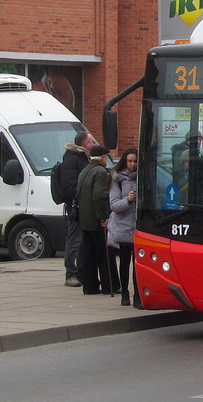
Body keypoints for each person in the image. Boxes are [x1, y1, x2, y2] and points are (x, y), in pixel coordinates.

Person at [58, 131, 96, 287]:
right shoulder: (73, 160)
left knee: (82, 242)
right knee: (74, 240)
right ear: (85, 144)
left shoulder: (83, 158)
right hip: (77, 206)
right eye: (92, 142)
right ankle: (71, 274)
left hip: (86, 206)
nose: (94, 144)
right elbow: (70, 186)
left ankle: (80, 272)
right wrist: (81, 197)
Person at [76, 144, 112, 295]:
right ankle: (108, 286)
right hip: (97, 220)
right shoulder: (101, 172)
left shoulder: (85, 170)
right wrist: (103, 216)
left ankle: (89, 286)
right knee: (103, 255)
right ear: (103, 157)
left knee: (88, 255)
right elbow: (99, 196)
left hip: (85, 219)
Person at [107, 148, 139, 307]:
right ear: (125, 162)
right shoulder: (117, 179)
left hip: (138, 227)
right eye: (130, 161)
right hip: (124, 226)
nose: (133, 164)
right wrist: (128, 200)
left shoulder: (143, 176)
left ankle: (138, 295)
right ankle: (125, 293)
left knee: (138, 264)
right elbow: (114, 205)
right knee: (125, 261)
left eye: (135, 161)